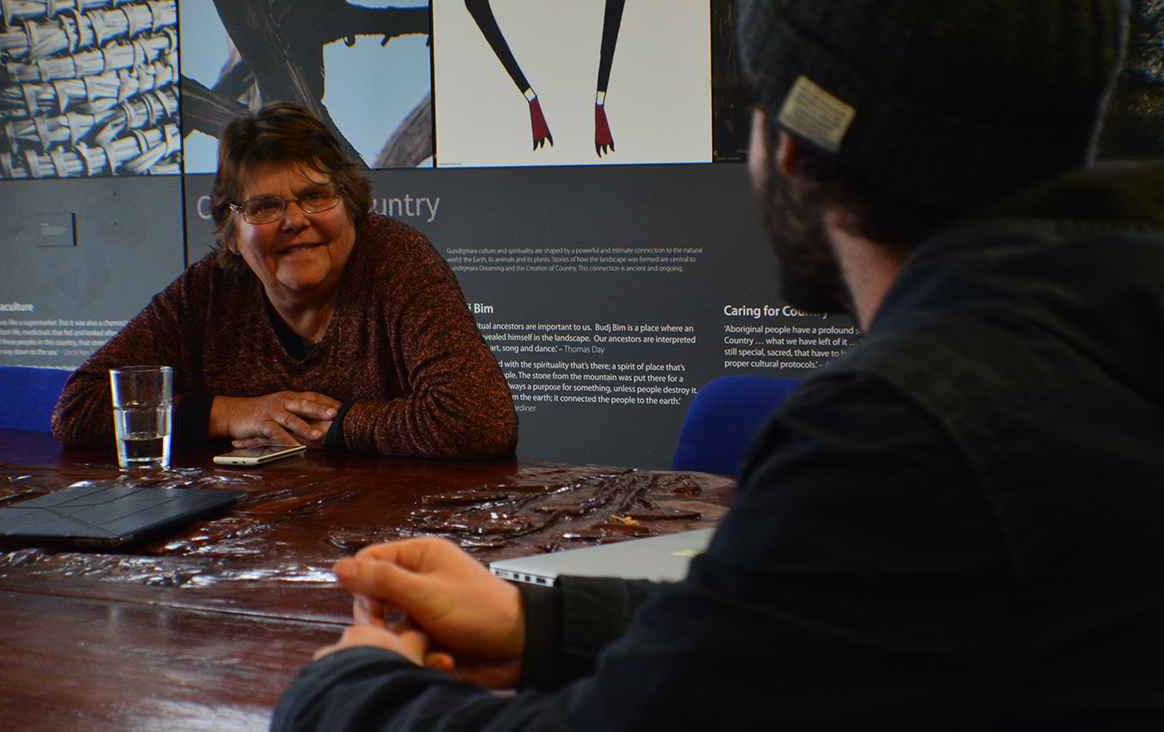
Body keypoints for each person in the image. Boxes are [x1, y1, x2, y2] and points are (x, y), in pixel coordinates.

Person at [271, 1, 1164, 729]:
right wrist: (542, 625)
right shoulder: (1101, 336)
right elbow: (838, 626)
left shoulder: (902, 435)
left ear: (794, 147)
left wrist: (347, 688)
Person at [52, 102, 517, 460]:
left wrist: (334, 427)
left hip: (391, 532)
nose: (295, 220)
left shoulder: (398, 262)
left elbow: (480, 419)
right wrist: (232, 413)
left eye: (316, 196)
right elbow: (78, 408)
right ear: (232, 233)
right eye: (265, 206)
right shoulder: (210, 290)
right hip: (247, 532)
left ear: (350, 206)